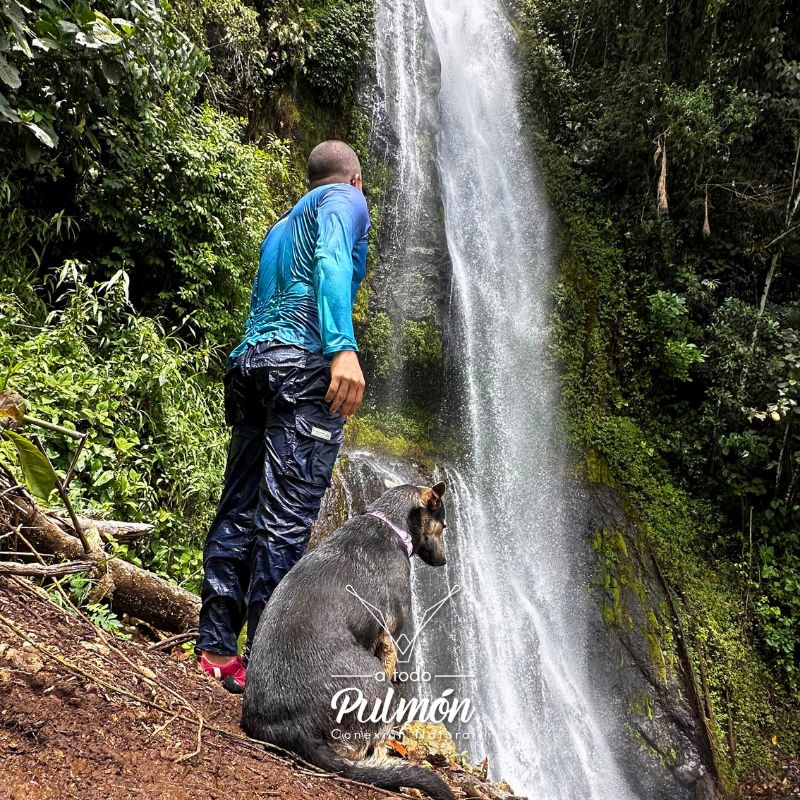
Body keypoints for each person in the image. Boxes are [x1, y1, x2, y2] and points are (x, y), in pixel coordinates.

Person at [195, 140, 369, 693]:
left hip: (251, 364)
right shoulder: (346, 201)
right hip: (301, 365)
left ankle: (217, 650)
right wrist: (342, 347)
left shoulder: (279, 228)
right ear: (354, 179)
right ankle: (268, 667)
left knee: (240, 504)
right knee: (285, 519)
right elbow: (332, 258)